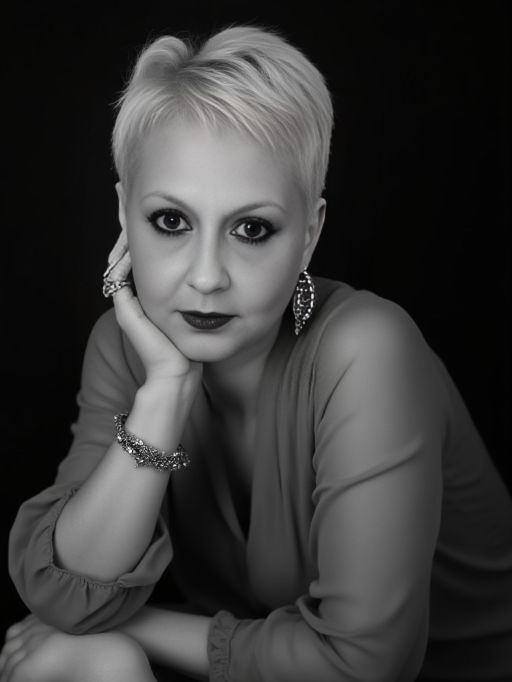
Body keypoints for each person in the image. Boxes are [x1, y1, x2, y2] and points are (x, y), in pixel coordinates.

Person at [1, 24, 511, 682]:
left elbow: (364, 665)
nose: (206, 276)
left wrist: (130, 622)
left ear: (308, 235)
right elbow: (62, 589)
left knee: (87, 648)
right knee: (79, 659)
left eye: (251, 228)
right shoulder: (129, 348)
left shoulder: (367, 350)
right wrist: (165, 393)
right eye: (171, 221)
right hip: (267, 666)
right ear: (124, 215)